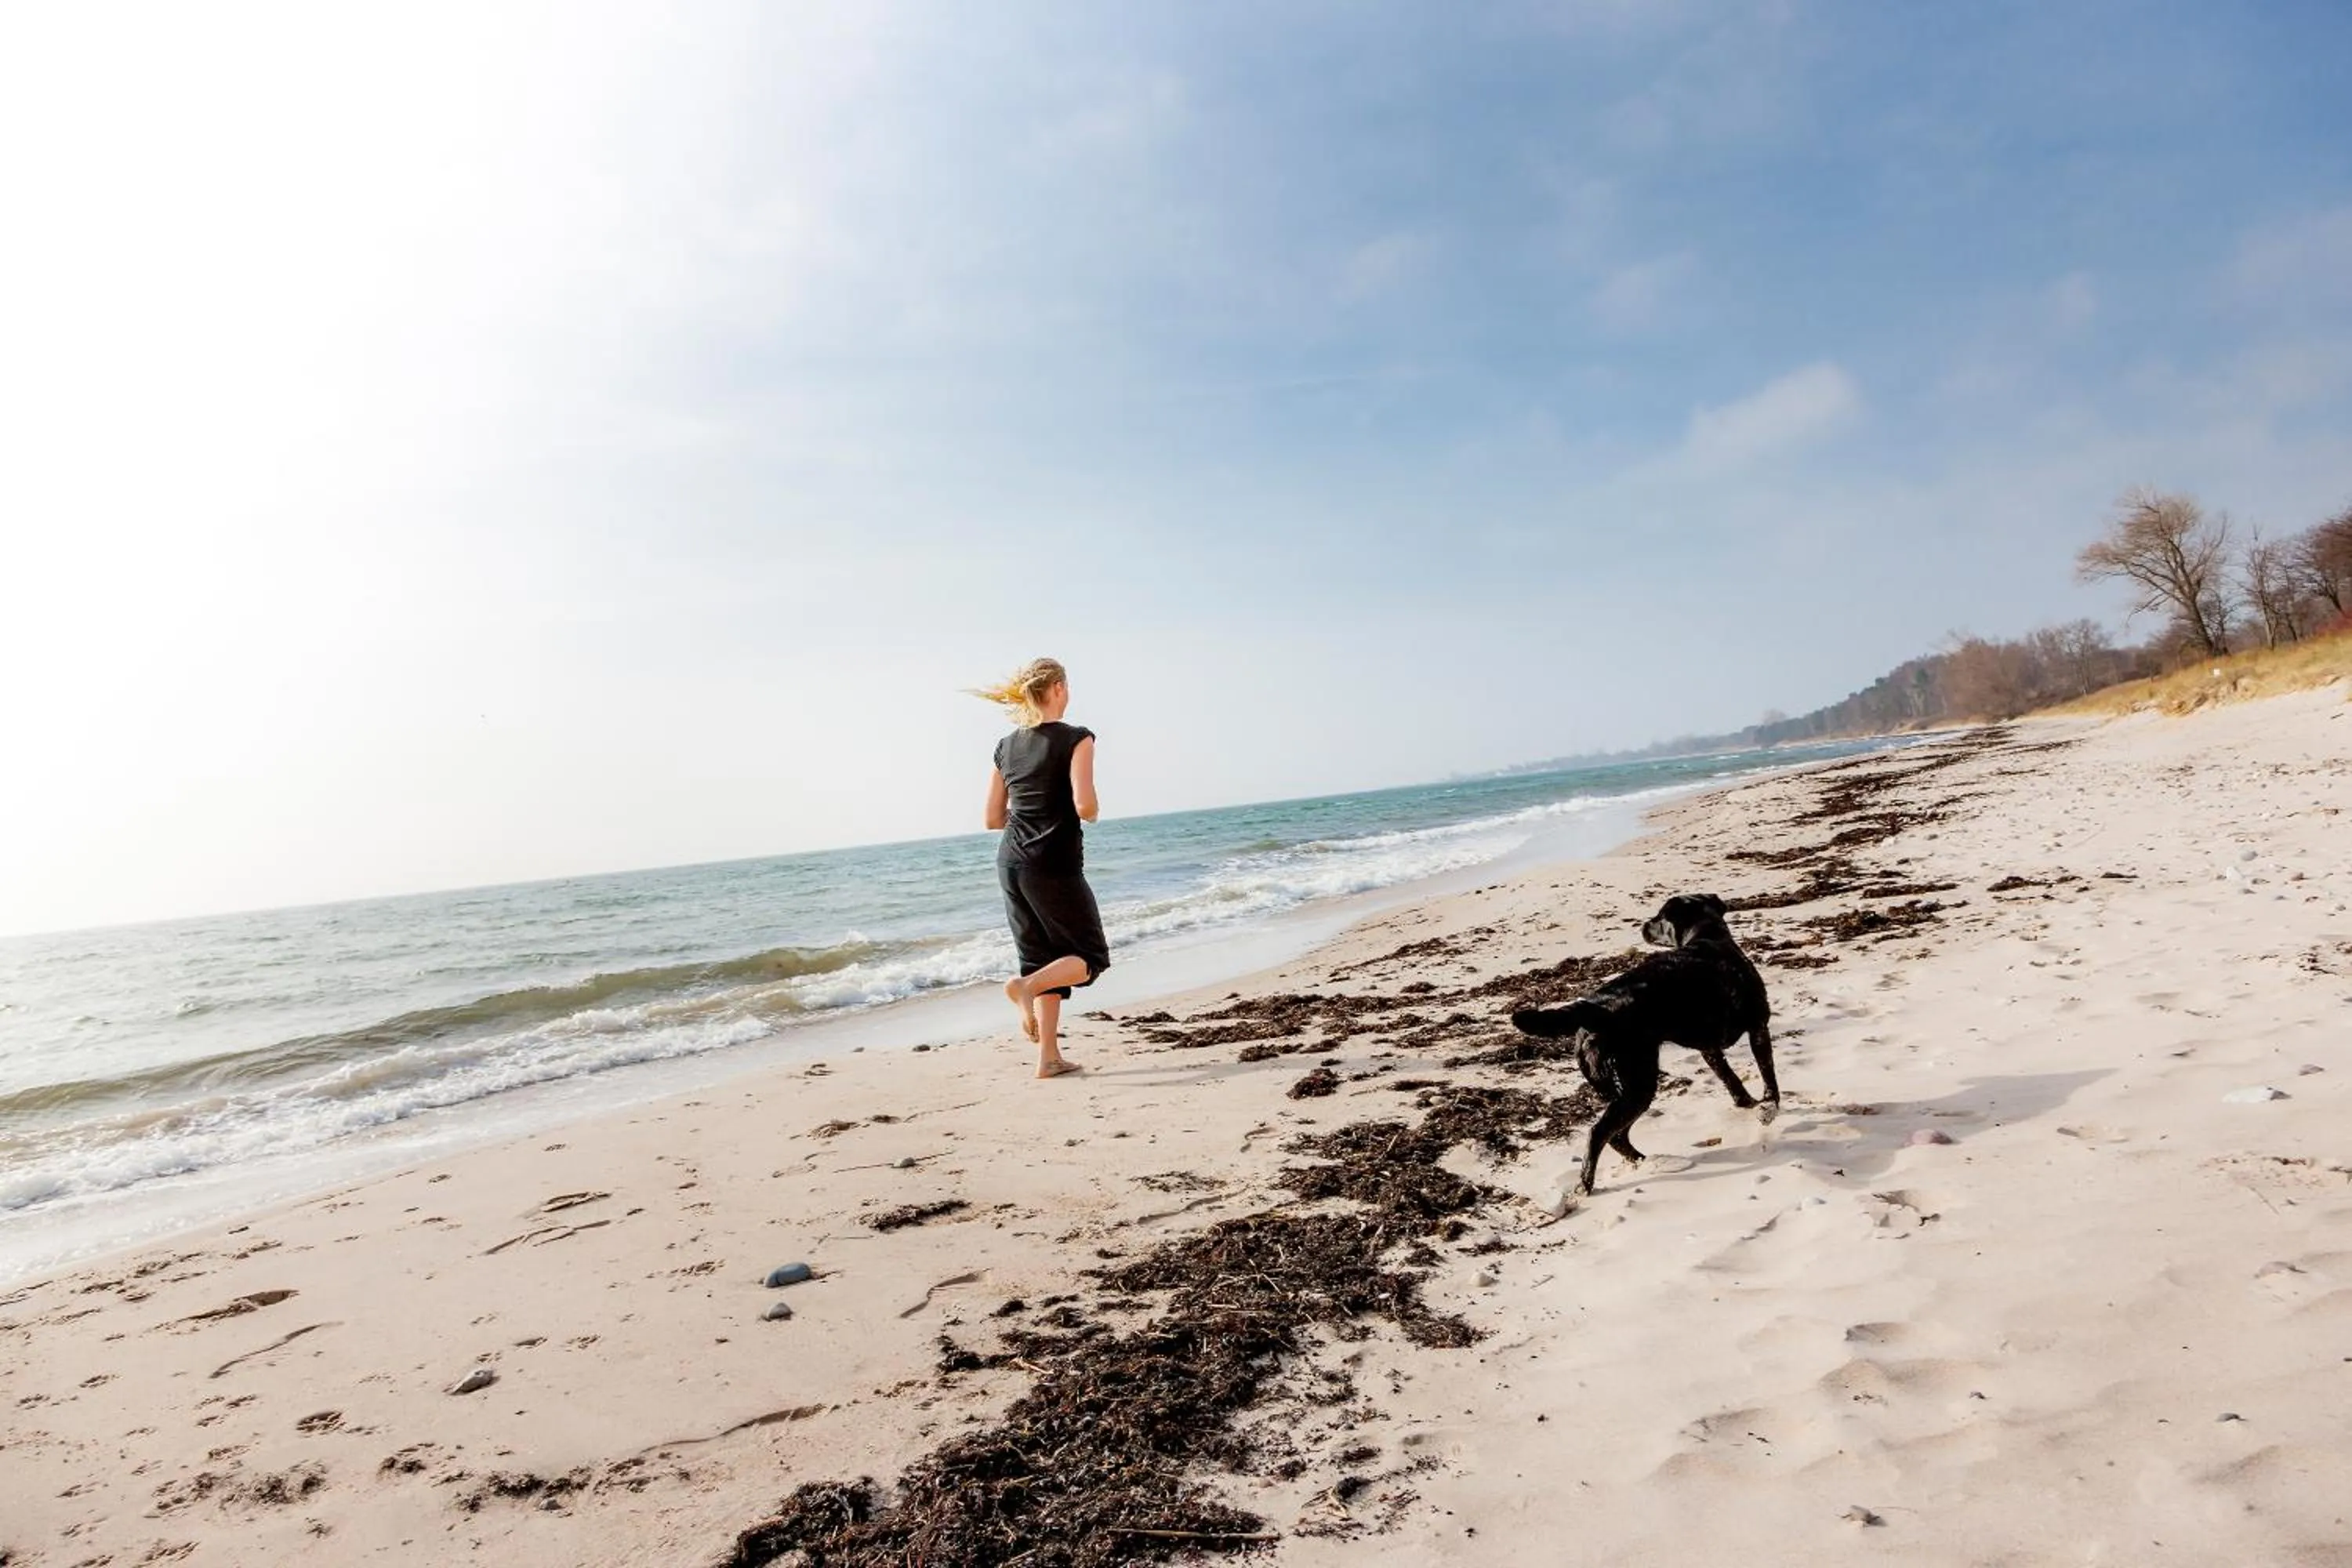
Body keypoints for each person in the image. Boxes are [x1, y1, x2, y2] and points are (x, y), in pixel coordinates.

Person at [975, 657, 1107, 1079]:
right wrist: (1089, 811)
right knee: (1089, 958)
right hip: (1052, 861)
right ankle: (1025, 988)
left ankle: (1048, 1057)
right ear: (1058, 688)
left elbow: (992, 819)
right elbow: (1085, 805)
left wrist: (1030, 813)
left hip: (1010, 862)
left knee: (1041, 958)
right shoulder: (1077, 738)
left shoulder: (1005, 746)